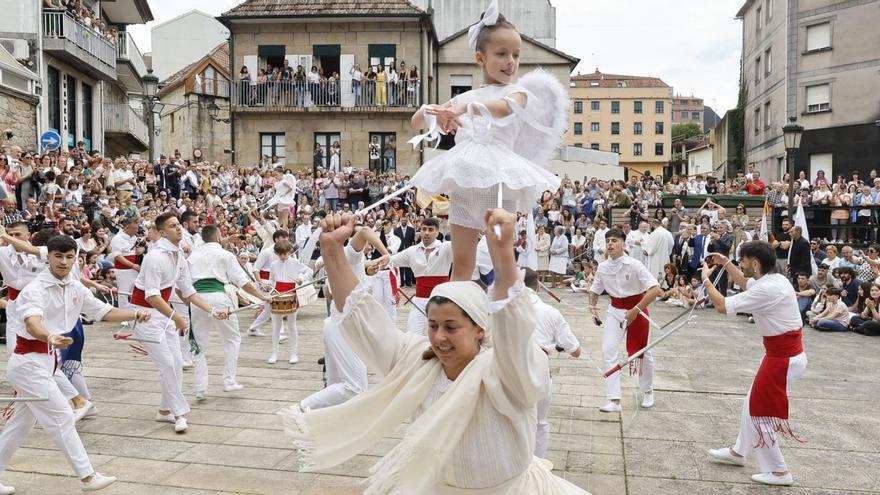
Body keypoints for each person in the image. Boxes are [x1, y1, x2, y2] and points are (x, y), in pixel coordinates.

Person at [280, 209, 590, 494]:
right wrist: (333, 250)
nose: (439, 337)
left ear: (480, 329)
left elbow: (515, 330)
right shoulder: (417, 361)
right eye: (432, 325)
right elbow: (362, 317)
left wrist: (503, 257)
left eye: (451, 327)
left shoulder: (506, 370)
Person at [408, 5, 566, 283]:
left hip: (498, 181)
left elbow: (505, 108)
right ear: (480, 58)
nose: (511, 61)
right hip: (466, 179)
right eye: (502, 54)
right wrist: (434, 110)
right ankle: (461, 316)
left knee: (502, 262)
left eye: (516, 55)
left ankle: (503, 316)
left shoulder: (518, 92)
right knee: (461, 265)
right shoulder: (467, 95)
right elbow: (416, 122)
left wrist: (462, 108)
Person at [0, 235, 152, 493]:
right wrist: (48, 335)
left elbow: (102, 311)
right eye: (58, 256)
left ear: (76, 259)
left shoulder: (74, 285)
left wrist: (135, 313)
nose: (63, 261)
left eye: (69, 257)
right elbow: (32, 323)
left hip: (46, 361)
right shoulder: (34, 289)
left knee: (20, 426)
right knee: (61, 416)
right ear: (48, 257)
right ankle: (87, 476)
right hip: (28, 364)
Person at [702, 242, 807, 486]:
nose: (742, 265)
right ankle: (739, 451)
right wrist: (725, 263)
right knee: (751, 403)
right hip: (781, 354)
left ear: (756, 264)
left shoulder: (768, 289)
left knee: (761, 412)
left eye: (743, 261)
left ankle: (779, 472)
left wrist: (707, 280)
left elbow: (722, 306)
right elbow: (745, 282)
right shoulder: (773, 279)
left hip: (783, 358)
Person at [130, 212, 229, 433]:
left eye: (178, 225)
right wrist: (176, 318)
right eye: (173, 226)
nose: (178, 228)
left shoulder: (180, 257)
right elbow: (151, 296)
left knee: (176, 363)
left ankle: (164, 410)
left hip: (163, 314)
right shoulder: (154, 257)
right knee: (167, 364)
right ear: (162, 232)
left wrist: (213, 310)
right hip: (143, 315)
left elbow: (189, 292)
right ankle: (179, 413)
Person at [187, 225, 270, 399]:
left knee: (198, 343)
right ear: (218, 237)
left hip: (197, 300)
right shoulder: (225, 255)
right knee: (232, 339)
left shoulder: (193, 255)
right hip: (218, 298)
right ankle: (229, 380)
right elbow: (242, 282)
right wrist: (261, 297)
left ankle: (200, 388)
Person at [589, 227, 662, 412]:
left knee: (642, 353)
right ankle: (614, 400)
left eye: (614, 240)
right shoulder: (603, 267)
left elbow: (655, 289)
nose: (610, 244)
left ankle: (647, 390)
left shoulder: (635, 264)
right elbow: (594, 291)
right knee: (608, 350)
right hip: (615, 311)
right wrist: (593, 307)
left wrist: (636, 310)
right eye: (608, 241)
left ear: (623, 244)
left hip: (638, 309)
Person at [523, 268, 581, 458]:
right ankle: (537, 467)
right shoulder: (550, 312)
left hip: (505, 370)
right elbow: (575, 350)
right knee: (540, 422)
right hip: (538, 371)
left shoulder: (499, 309)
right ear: (537, 286)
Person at [389, 217, 452, 335]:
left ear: (437, 232)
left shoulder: (447, 248)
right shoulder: (412, 251)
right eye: (424, 229)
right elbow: (390, 260)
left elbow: (466, 248)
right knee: (412, 334)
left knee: (441, 336)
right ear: (420, 231)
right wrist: (370, 264)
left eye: (430, 229)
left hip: (442, 300)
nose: (427, 233)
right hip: (420, 301)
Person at [267, 239, 312, 364]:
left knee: (292, 325)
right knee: (276, 326)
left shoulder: (295, 262)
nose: (282, 256)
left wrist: (301, 278)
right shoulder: (273, 264)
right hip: (277, 293)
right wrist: (268, 287)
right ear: (276, 253)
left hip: (291, 293)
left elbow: (309, 271)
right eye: (280, 254)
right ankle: (274, 353)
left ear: (289, 252)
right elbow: (271, 281)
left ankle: (293, 354)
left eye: (285, 254)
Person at [108, 218, 142, 309]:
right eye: (134, 228)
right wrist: (132, 265)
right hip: (123, 270)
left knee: (134, 291)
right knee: (124, 292)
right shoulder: (117, 238)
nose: (136, 230)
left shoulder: (134, 237)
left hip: (135, 267)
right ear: (127, 227)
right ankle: (124, 315)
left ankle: (133, 312)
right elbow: (118, 256)